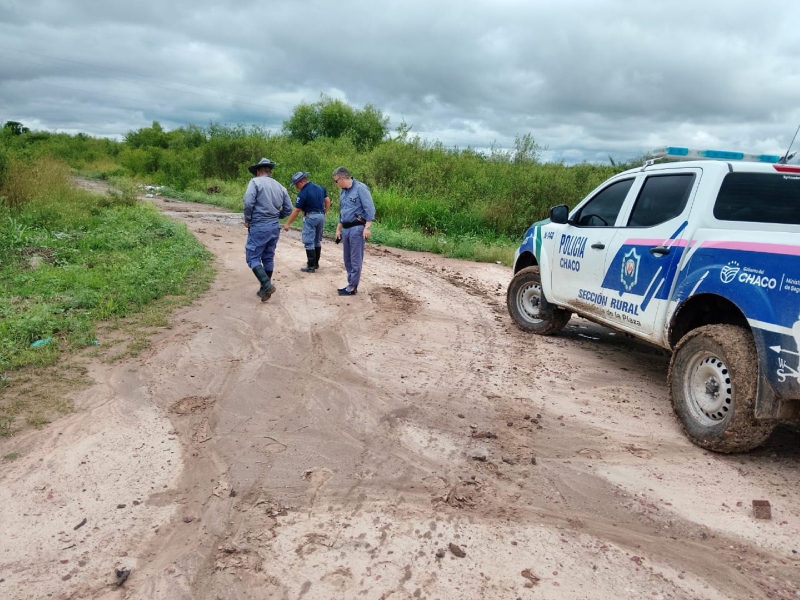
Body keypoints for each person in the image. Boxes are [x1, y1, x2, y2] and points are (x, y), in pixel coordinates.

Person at [243, 158, 293, 301]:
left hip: (259, 226)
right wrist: (278, 216)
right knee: (268, 257)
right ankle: (264, 290)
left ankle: (266, 284)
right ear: (270, 172)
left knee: (252, 257)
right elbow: (289, 209)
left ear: (258, 172)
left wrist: (248, 218)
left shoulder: (255, 182)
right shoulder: (281, 187)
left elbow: (248, 201)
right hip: (273, 227)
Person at [333, 167, 375, 296]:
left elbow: (370, 209)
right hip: (346, 228)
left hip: (357, 228)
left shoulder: (360, 188)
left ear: (341, 178)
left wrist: (367, 227)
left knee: (355, 259)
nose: (336, 184)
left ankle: (352, 287)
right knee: (347, 259)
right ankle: (350, 283)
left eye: (336, 181)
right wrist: (338, 229)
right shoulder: (343, 192)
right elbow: (342, 212)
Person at [282, 171, 331, 273]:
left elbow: (297, 210)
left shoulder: (303, 193)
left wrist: (288, 223)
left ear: (300, 182)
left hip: (310, 217)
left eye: (296, 185)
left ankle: (311, 266)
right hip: (321, 216)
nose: (296, 187)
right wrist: (324, 212)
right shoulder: (320, 188)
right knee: (317, 241)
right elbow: (327, 200)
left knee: (309, 242)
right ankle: (316, 264)